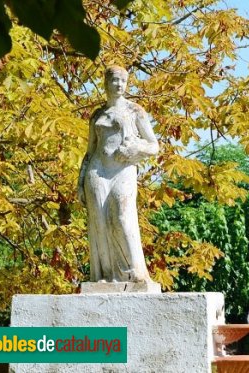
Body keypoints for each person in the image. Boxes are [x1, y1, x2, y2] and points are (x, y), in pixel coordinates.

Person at [78, 66, 159, 282]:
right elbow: (90, 151)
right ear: (106, 83)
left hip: (123, 169)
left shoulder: (135, 111)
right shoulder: (97, 115)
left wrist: (135, 150)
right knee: (99, 222)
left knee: (122, 218)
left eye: (123, 81)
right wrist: (80, 182)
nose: (119, 85)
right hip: (97, 170)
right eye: (115, 80)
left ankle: (135, 276)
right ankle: (104, 276)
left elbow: (154, 146)